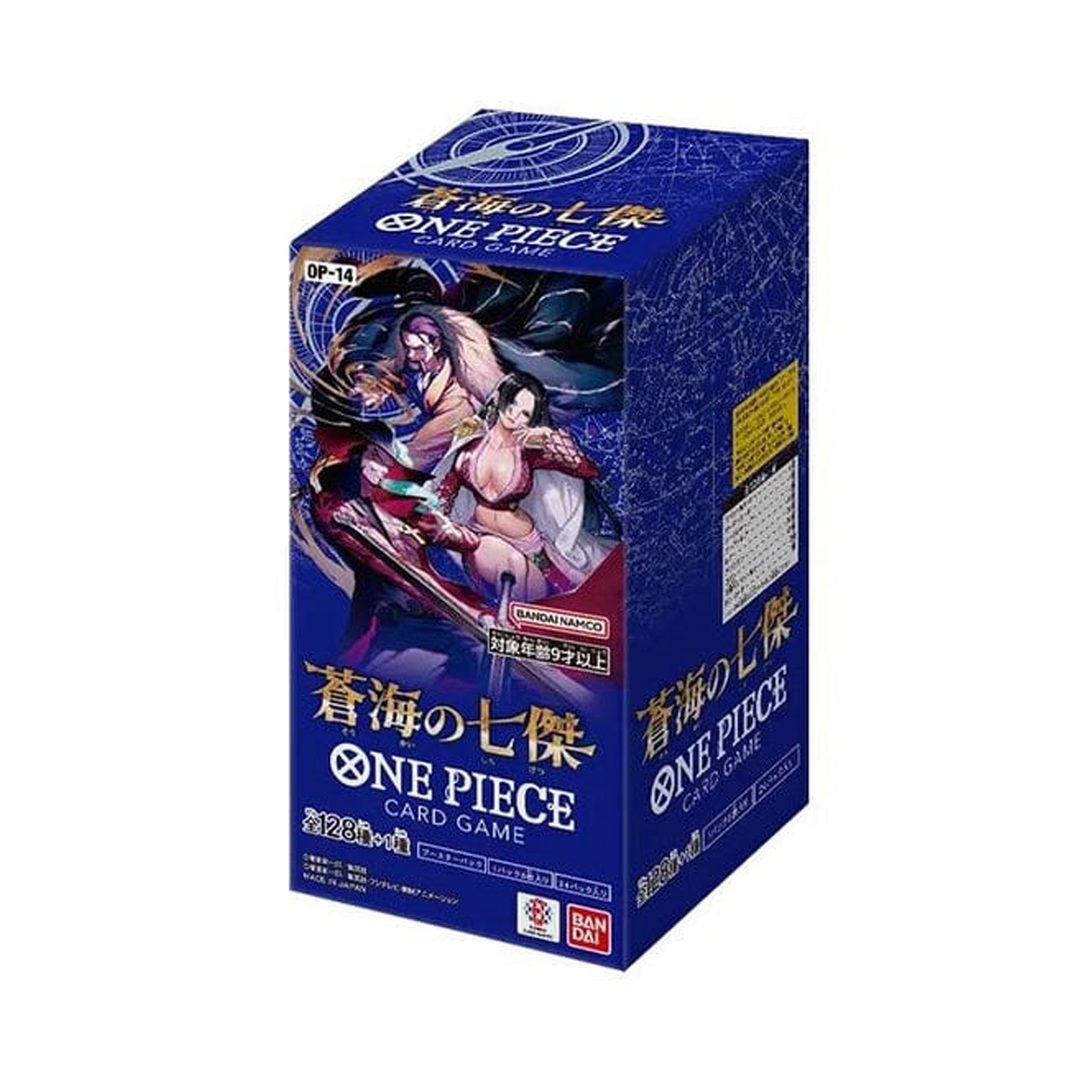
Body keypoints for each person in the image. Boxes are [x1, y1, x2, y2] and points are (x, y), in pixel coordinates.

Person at [430, 372, 614, 601]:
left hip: (529, 546)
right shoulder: (471, 437)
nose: (515, 414)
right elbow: (449, 485)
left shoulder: (529, 452)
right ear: (498, 398)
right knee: (508, 579)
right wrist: (435, 519)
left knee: (564, 596)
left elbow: (586, 470)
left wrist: (550, 438)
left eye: (525, 413)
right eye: (512, 403)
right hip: (480, 533)